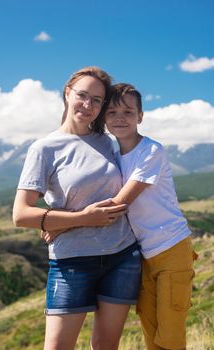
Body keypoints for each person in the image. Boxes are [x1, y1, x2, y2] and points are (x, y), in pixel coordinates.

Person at [13, 67, 141, 350]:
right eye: (83, 95)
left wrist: (64, 223)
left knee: (106, 346)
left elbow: (135, 187)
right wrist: (79, 218)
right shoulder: (44, 149)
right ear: (67, 93)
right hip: (72, 261)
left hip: (122, 256)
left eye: (97, 100)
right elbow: (21, 214)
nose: (88, 105)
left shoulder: (111, 143)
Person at [104, 83, 197, 350]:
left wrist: (63, 223)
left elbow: (121, 202)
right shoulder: (109, 154)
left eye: (128, 111)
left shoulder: (151, 151)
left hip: (172, 248)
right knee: (150, 329)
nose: (120, 118)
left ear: (140, 116)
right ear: (104, 118)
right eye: (112, 112)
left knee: (170, 335)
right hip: (143, 254)